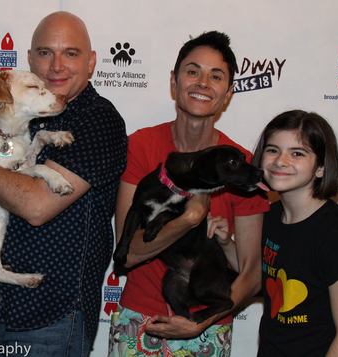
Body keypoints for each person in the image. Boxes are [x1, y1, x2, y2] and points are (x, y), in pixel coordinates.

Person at [0, 11, 128, 357]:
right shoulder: (16, 115)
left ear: (91, 62)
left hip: (50, 315)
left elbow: (35, 206)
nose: (56, 66)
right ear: (29, 60)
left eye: (71, 53)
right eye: (45, 53)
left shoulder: (97, 119)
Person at [108, 31, 270, 357]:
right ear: (174, 81)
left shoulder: (242, 167)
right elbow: (128, 254)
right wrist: (191, 217)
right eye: (193, 71)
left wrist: (201, 321)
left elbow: (252, 272)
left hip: (207, 325)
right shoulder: (140, 146)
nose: (203, 83)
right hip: (140, 318)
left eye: (216, 76)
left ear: (228, 93)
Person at [253, 110, 338, 356]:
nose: (280, 161)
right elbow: (257, 273)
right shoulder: (269, 216)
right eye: (273, 150)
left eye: (297, 153)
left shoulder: (337, 235)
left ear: (321, 168)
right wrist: (224, 242)